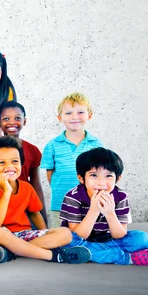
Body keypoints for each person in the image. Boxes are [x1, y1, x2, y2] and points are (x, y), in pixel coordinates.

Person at [0, 136, 91, 264]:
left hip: (25, 235)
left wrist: (45, 232)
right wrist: (7, 192)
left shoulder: (27, 187)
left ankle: (14, 251)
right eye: (2, 163)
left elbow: (35, 214)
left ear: (21, 163)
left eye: (15, 161)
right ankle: (51, 255)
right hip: (4, 235)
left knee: (66, 233)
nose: (9, 167)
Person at [60, 148, 148, 266]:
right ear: (81, 178)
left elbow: (120, 234)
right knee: (65, 241)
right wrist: (94, 210)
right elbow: (78, 235)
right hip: (80, 240)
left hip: (109, 239)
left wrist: (110, 214)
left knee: (142, 239)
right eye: (94, 175)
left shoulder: (121, 197)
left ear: (118, 178)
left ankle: (90, 253)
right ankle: (127, 258)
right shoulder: (73, 197)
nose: (101, 183)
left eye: (108, 176)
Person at [41, 92, 103, 227]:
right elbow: (50, 173)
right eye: (68, 113)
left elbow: (100, 174)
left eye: (80, 112)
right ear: (59, 117)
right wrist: (61, 189)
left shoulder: (96, 144)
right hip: (60, 202)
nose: (75, 117)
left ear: (89, 115)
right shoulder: (52, 145)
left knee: (87, 235)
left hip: (88, 202)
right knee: (59, 237)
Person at [0, 101, 47, 222]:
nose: (11, 122)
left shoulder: (33, 150)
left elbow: (36, 184)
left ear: (24, 121)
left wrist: (44, 219)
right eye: (6, 118)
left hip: (24, 208)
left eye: (17, 118)